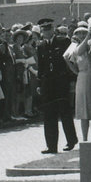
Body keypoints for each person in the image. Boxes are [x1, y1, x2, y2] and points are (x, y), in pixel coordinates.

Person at [36, 18, 78, 153]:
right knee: (49, 115)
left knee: (65, 113)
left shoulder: (63, 42)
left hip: (61, 82)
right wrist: (39, 83)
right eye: (43, 30)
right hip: (48, 84)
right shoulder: (41, 46)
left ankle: (71, 140)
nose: (46, 32)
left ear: (53, 29)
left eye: (48, 29)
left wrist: (71, 80)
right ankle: (51, 145)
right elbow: (41, 67)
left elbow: (69, 61)